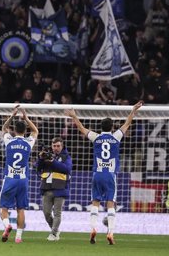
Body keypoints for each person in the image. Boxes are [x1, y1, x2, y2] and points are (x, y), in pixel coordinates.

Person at [66, 101, 142, 245]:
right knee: (110, 204)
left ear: (101, 127)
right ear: (112, 127)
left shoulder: (96, 137)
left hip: (97, 174)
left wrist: (74, 116)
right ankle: (110, 233)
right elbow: (127, 123)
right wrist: (133, 110)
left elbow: (81, 129)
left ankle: (93, 228)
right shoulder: (116, 137)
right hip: (110, 175)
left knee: (95, 202)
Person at [0, 105, 39, 244]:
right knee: (20, 208)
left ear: (14, 130)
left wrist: (12, 115)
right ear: (24, 131)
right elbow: (35, 131)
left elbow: (4, 128)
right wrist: (26, 118)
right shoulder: (28, 142)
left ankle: (7, 225)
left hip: (10, 178)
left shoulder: (9, 140)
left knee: (4, 207)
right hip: (23, 180)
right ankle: (18, 237)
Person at [36, 137, 72, 241]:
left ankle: (54, 233)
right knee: (46, 213)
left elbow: (67, 169)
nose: (56, 148)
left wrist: (53, 162)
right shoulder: (47, 155)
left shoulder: (66, 157)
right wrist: (40, 159)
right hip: (46, 187)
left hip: (60, 188)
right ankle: (55, 230)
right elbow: (37, 168)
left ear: (62, 146)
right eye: (54, 146)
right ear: (52, 146)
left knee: (57, 213)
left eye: (58, 146)